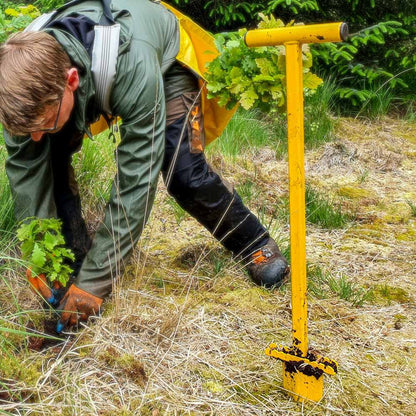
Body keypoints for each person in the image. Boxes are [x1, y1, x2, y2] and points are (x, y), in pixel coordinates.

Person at [0, 0, 289, 333]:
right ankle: (74, 263)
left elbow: (136, 178)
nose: (34, 137)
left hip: (162, 62)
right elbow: (27, 172)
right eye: (28, 130)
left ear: (71, 81)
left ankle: (254, 244)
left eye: (45, 123)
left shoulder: (130, 62)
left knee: (183, 172)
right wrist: (40, 256)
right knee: (48, 157)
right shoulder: (17, 86)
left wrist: (97, 282)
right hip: (97, 68)